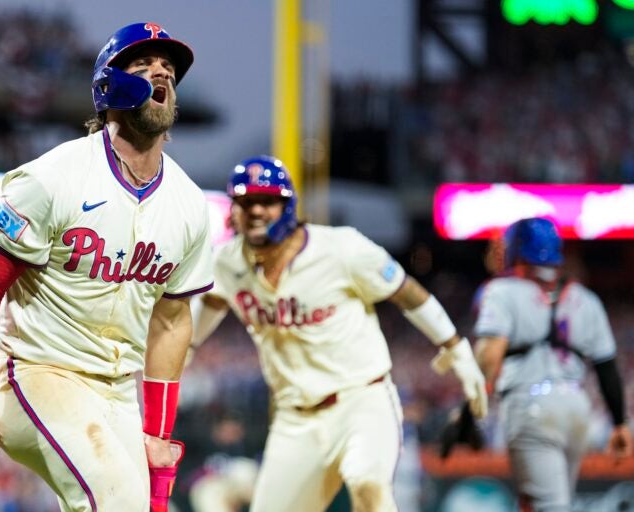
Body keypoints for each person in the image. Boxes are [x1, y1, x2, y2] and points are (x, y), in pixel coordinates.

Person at [0, 22, 214, 512]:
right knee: (117, 502)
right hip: (34, 373)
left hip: (116, 394)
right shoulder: (54, 177)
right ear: (108, 86)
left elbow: (173, 319)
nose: (162, 73)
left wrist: (157, 433)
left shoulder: (190, 206)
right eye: (144, 65)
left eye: (170, 69)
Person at [190, 155, 488, 512]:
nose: (255, 210)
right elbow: (203, 313)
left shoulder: (341, 248)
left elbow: (408, 293)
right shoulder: (227, 262)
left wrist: (456, 349)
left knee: (368, 485)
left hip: (361, 402)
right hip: (295, 418)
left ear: (287, 205)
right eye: (245, 201)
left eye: (267, 201)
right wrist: (181, 353)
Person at [472, 217, 633, 512]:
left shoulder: (502, 291)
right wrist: (619, 423)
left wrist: (469, 409)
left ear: (516, 250)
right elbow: (606, 366)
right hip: (576, 406)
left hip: (530, 406)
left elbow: (489, 357)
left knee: (549, 506)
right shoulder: (586, 298)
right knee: (548, 502)